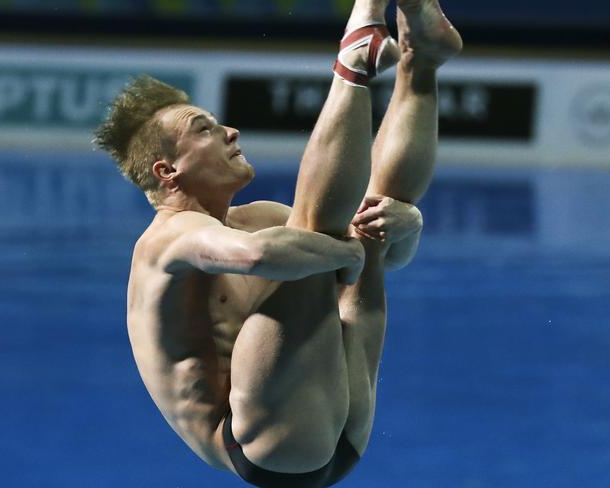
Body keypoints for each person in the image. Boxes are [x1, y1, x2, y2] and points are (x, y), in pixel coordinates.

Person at [94, 0, 461, 486]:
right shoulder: (167, 239)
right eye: (204, 129)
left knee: (369, 220)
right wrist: (349, 251)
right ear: (169, 172)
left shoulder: (259, 216)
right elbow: (260, 256)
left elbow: (389, 257)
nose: (231, 131)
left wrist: (405, 224)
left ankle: (420, 58)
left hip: (339, 419)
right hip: (263, 445)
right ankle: (353, 61)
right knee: (312, 237)